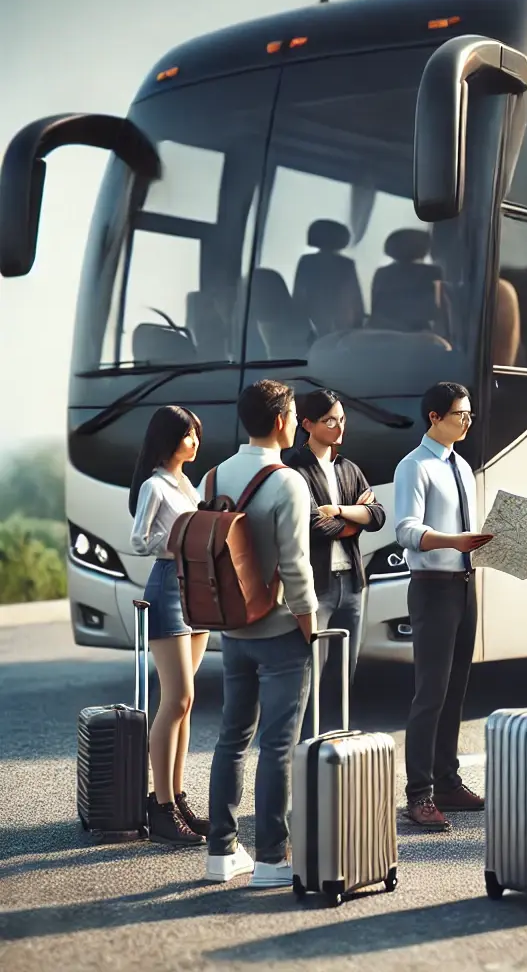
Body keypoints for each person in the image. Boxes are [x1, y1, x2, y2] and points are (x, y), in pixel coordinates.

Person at [203, 379, 319, 886]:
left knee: (232, 738)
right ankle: (272, 858)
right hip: (277, 631)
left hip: (233, 629)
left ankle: (221, 852)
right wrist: (310, 623)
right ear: (279, 421)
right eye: (293, 415)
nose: (295, 423)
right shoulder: (288, 481)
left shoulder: (214, 476)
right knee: (277, 745)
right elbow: (295, 566)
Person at [394, 381, 493, 831]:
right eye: (460, 414)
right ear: (435, 417)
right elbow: (407, 530)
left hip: (463, 583)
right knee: (429, 692)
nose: (467, 421)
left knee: (456, 689)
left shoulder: (463, 467)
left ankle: (447, 781)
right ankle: (419, 794)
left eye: (470, 414)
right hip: (431, 585)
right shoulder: (413, 467)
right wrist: (454, 541)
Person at [128, 405, 209, 846]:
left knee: (187, 700)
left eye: (196, 434)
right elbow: (138, 540)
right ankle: (158, 807)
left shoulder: (187, 483)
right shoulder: (155, 485)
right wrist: (181, 537)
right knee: (176, 698)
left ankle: (176, 797)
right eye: (187, 435)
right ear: (167, 439)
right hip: (168, 589)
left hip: (198, 589)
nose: (194, 441)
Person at [285, 389, 386, 738]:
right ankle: (305, 746)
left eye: (342, 419)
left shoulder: (349, 468)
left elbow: (378, 515)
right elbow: (314, 525)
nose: (339, 426)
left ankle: (333, 744)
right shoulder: (294, 468)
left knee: (345, 672)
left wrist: (341, 511)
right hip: (318, 586)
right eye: (329, 420)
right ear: (308, 424)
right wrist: (353, 522)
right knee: (310, 673)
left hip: (353, 585)